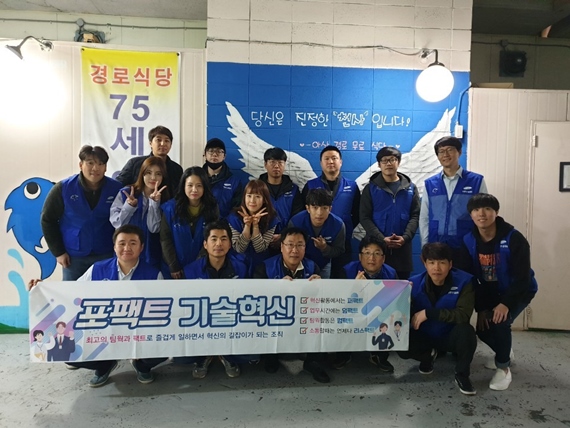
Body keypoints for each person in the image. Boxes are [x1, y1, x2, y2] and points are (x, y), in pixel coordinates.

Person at [28, 225, 165, 387]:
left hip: (138, 334)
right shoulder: (97, 269)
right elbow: (71, 294)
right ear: (114, 247)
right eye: (122, 243)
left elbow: (162, 313)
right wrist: (43, 288)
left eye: (133, 243)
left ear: (141, 247)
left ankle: (141, 365)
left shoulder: (154, 274)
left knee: (166, 347)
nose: (127, 248)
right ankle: (105, 365)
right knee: (66, 351)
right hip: (102, 333)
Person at [460, 193, 538, 391]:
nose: (482, 214)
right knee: (483, 328)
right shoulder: (469, 240)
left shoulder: (514, 238)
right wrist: (482, 308)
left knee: (500, 322)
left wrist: (506, 304)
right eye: (476, 210)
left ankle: (503, 368)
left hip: (519, 290)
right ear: (471, 215)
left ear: (496, 212)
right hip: (491, 293)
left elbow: (522, 278)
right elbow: (473, 278)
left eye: (487, 209)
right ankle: (505, 351)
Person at [397, 242, 478, 396]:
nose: (437, 268)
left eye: (442, 263)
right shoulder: (413, 283)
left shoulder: (465, 282)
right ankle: (428, 357)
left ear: (450, 264)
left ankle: (462, 374)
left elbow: (463, 315)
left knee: (467, 332)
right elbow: (402, 313)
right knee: (399, 339)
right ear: (425, 263)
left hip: (449, 336)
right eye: (432, 262)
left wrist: (429, 313)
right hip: (425, 335)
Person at [181, 220, 257, 379]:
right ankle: (205, 356)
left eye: (223, 239)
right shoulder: (190, 271)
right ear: (205, 244)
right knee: (181, 357)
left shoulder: (242, 267)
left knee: (252, 355)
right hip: (201, 323)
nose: (218, 244)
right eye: (213, 239)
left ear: (230, 244)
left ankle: (226, 356)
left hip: (231, 320)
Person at [254, 227, 329, 383]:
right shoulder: (265, 267)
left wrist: (320, 287)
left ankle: (313, 362)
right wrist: (276, 289)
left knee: (323, 318)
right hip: (276, 315)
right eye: (290, 245)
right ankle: (271, 356)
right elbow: (256, 298)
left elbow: (322, 300)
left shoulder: (312, 267)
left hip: (303, 314)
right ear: (281, 247)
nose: (294, 250)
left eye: (300, 245)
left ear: (305, 248)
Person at [41, 145, 123, 280]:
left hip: (106, 254)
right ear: (81, 165)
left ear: (105, 167)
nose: (95, 168)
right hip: (73, 257)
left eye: (100, 164)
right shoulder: (63, 188)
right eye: (90, 163)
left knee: (105, 292)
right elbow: (47, 220)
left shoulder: (116, 189)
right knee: (72, 292)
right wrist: (58, 252)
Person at [419, 136, 487, 263]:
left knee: (465, 276)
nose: (445, 154)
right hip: (436, 245)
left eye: (450, 150)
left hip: (466, 246)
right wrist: (425, 246)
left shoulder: (476, 181)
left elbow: (484, 216)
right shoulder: (430, 184)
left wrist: (482, 244)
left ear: (459, 152)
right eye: (441, 151)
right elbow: (424, 217)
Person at [336, 236, 398, 371]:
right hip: (353, 313)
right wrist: (355, 289)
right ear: (360, 256)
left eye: (377, 253)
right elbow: (339, 304)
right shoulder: (347, 271)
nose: (372, 258)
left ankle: (379, 356)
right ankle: (343, 354)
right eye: (367, 253)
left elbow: (395, 304)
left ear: (383, 258)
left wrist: (405, 293)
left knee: (392, 318)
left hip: (378, 315)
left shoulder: (391, 274)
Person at [360, 146, 420, 279]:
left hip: (402, 251)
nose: (388, 163)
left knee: (401, 288)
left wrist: (405, 238)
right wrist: (381, 239)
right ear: (379, 164)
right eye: (384, 160)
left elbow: (415, 216)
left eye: (392, 159)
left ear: (398, 162)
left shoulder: (410, 188)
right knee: (373, 288)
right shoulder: (370, 189)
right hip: (376, 251)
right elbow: (364, 217)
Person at [301, 146, 360, 277]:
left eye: (334, 158)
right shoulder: (310, 185)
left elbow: (357, 213)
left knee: (341, 278)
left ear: (341, 162)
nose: (331, 161)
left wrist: (345, 227)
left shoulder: (352, 186)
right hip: (315, 243)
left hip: (343, 241)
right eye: (326, 159)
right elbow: (303, 213)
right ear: (321, 163)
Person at [160, 166, 219, 279]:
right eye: (190, 185)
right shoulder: (170, 208)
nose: (194, 190)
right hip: (173, 270)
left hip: (201, 267)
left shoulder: (212, 208)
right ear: (183, 186)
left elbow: (212, 238)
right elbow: (165, 239)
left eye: (199, 185)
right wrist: (173, 266)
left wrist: (196, 266)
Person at [110, 156, 169, 269]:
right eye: (148, 173)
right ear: (142, 174)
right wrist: (129, 207)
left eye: (158, 174)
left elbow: (154, 228)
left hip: (150, 254)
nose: (153, 177)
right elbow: (117, 224)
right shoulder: (126, 193)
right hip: (125, 253)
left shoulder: (165, 199)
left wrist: (154, 203)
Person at [288, 188, 345, 279]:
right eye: (315, 208)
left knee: (322, 287)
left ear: (330, 209)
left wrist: (324, 248)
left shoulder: (338, 225)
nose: (319, 213)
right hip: (300, 264)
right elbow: (288, 248)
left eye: (324, 208)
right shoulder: (296, 222)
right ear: (308, 208)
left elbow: (339, 250)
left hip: (323, 264)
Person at [227, 179, 280, 276]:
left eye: (257, 196)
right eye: (249, 196)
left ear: (264, 199)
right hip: (237, 264)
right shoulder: (234, 217)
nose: (252, 201)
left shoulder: (272, 218)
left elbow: (260, 248)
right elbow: (239, 248)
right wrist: (247, 226)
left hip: (261, 266)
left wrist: (255, 226)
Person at [116, 125, 183, 198]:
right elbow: (117, 185)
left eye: (166, 141)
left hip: (166, 205)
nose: (163, 144)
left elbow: (179, 194)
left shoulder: (176, 169)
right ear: (150, 143)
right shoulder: (135, 163)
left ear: (171, 145)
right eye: (158, 140)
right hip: (137, 204)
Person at [259, 147, 304, 228]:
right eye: (272, 162)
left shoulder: (293, 189)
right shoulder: (257, 188)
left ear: (285, 165)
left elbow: (297, 216)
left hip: (288, 234)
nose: (276, 166)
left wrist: (285, 233)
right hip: (262, 233)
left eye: (280, 162)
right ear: (265, 165)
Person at [203, 138, 243, 218]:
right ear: (205, 155)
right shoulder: (197, 179)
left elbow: (237, 209)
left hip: (224, 224)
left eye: (219, 151)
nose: (215, 154)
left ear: (224, 156)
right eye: (211, 151)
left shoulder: (235, 182)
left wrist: (225, 223)